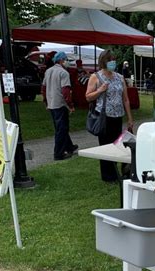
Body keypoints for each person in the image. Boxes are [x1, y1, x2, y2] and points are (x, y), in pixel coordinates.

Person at [86, 50, 134, 182]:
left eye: (114, 59)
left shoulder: (119, 77)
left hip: (118, 116)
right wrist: (100, 90)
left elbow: (125, 99)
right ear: (104, 61)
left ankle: (119, 172)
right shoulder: (96, 77)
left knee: (118, 145)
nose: (113, 62)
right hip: (104, 116)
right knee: (105, 146)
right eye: (110, 60)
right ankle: (108, 176)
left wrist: (130, 118)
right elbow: (88, 97)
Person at [41, 51, 78, 161]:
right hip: (60, 103)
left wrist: (46, 102)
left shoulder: (48, 71)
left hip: (52, 103)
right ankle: (58, 153)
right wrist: (70, 105)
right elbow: (66, 91)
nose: (67, 62)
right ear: (61, 60)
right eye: (66, 59)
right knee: (62, 129)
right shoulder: (63, 73)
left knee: (59, 127)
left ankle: (69, 146)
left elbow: (43, 88)